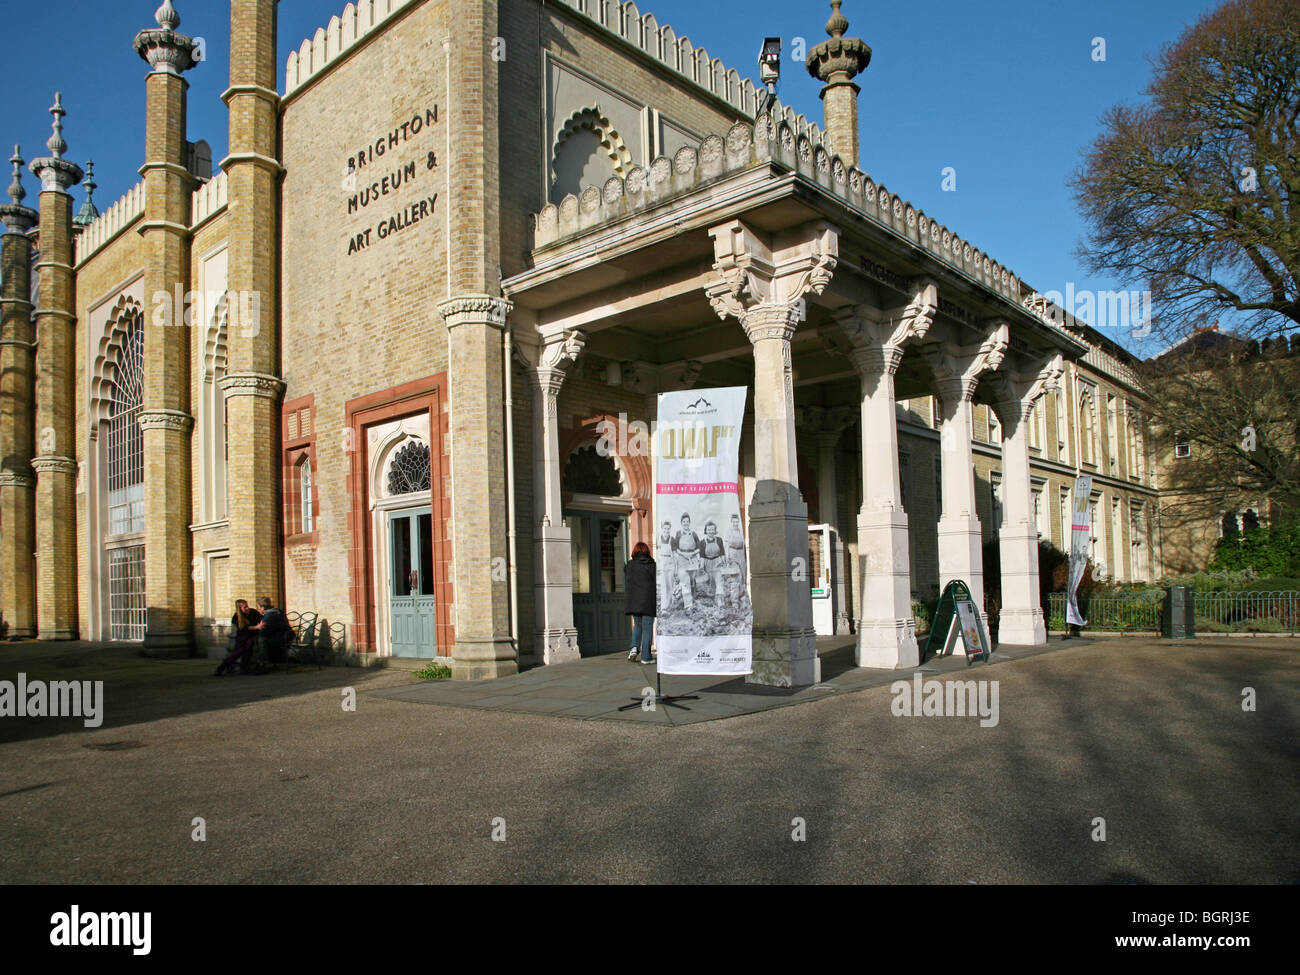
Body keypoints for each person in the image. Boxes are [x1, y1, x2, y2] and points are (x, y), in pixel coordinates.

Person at [624, 541, 657, 663]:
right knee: (647, 627)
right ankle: (646, 656)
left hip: (634, 601)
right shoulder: (652, 565)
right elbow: (656, 581)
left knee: (637, 625)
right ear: (647, 551)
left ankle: (633, 648)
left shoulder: (630, 565)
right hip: (648, 600)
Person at [215, 599, 262, 675]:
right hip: (242, 637)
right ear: (240, 609)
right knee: (237, 652)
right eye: (245, 607)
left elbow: (261, 619)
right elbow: (243, 629)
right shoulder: (236, 617)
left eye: (247, 606)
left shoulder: (253, 612)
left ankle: (244, 668)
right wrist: (256, 627)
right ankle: (221, 667)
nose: (247, 608)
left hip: (251, 636)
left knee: (248, 649)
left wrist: (260, 625)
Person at [250, 596, 294, 665]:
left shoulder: (269, 616)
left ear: (263, 608)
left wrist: (255, 628)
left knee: (261, 639)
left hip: (282, 637)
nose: (258, 610)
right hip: (287, 635)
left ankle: (263, 663)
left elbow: (263, 632)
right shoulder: (277, 611)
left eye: (259, 608)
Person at [672, 513, 701, 610]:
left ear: (689, 522)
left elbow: (699, 547)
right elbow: (675, 547)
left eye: (687, 521)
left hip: (692, 559)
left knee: (692, 581)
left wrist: (693, 554)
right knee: (685, 582)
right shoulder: (678, 533)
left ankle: (693, 599)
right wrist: (683, 554)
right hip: (682, 558)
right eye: (684, 522)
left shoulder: (694, 534)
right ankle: (688, 605)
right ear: (681, 523)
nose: (685, 523)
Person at [699, 520, 727, 607]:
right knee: (711, 584)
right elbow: (702, 556)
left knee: (719, 581)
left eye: (712, 530)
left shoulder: (719, 540)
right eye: (709, 530)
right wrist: (701, 567)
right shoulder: (702, 542)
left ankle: (720, 601)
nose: (711, 531)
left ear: (715, 530)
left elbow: (722, 553)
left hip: (717, 562)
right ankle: (712, 601)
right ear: (706, 531)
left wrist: (724, 562)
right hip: (707, 563)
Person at [725, 513, 747, 599]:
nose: (735, 524)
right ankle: (734, 599)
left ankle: (741, 596)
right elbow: (726, 545)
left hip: (740, 555)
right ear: (731, 522)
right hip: (732, 555)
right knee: (735, 577)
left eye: (737, 522)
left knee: (742, 577)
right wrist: (727, 557)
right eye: (734, 522)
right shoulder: (728, 532)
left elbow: (744, 546)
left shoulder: (740, 532)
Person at [656, 520, 675, 610]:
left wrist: (675, 566)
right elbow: (657, 552)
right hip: (662, 563)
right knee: (664, 586)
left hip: (670, 563)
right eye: (665, 528)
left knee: (670, 585)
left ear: (670, 529)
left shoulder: (672, 539)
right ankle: (664, 607)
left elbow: (675, 554)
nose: (666, 530)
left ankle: (669, 605)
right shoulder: (658, 539)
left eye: (668, 529)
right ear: (662, 529)